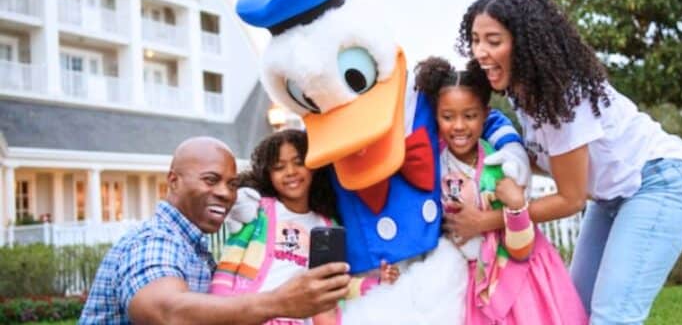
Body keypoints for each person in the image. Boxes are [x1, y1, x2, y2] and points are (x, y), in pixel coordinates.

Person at [447, 0, 682, 324]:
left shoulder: (564, 98)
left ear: (523, 45)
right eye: (475, 40)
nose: (481, 52)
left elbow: (571, 198)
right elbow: (547, 159)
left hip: (661, 182)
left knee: (614, 316)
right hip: (612, 196)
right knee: (574, 310)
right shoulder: (523, 94)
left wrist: (486, 221)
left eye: (493, 41)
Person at [79, 137, 351, 325]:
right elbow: (166, 313)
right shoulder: (155, 240)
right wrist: (278, 302)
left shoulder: (195, 249)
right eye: (211, 180)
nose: (225, 193)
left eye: (232, 184)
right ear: (173, 181)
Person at [415, 57, 587, 325]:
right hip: (466, 284)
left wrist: (516, 207)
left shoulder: (501, 168)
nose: (459, 126)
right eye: (448, 117)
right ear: (436, 117)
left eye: (470, 116)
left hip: (520, 279)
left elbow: (521, 249)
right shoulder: (433, 170)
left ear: (485, 115)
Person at [210, 130, 399, 325]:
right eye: (279, 167)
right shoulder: (257, 211)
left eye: (299, 162)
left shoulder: (326, 225)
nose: (290, 172)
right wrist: (222, 312)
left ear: (314, 167)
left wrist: (376, 282)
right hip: (250, 316)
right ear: (268, 174)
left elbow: (331, 284)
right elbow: (228, 264)